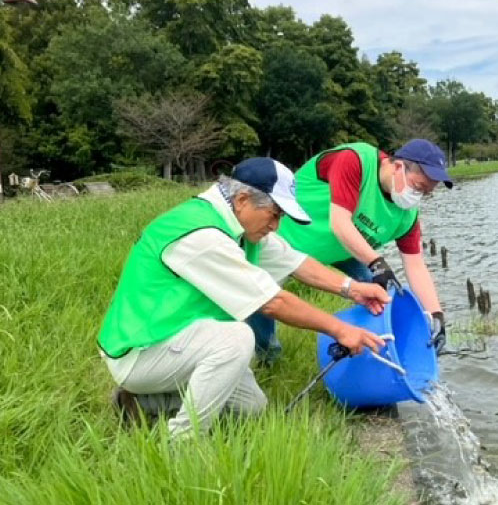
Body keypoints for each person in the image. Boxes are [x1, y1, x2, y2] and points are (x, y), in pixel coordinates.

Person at [98, 157, 389, 438]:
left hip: (178, 338)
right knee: (237, 338)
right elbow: (272, 302)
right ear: (242, 200)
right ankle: (182, 444)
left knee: (251, 409)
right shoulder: (203, 235)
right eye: (274, 214)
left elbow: (296, 262)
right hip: (141, 350)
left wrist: (353, 288)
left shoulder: (238, 226)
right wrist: (340, 330)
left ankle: (141, 402)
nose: (276, 225)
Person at [274, 138, 452, 357]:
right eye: (418, 187)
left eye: (426, 193)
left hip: (341, 249)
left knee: (382, 295)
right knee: (264, 300)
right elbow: (340, 223)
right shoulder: (354, 161)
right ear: (397, 166)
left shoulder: (407, 216)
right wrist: (377, 264)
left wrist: (436, 315)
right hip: (286, 238)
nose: (418, 196)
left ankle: (373, 351)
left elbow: (415, 265)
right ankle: (269, 357)